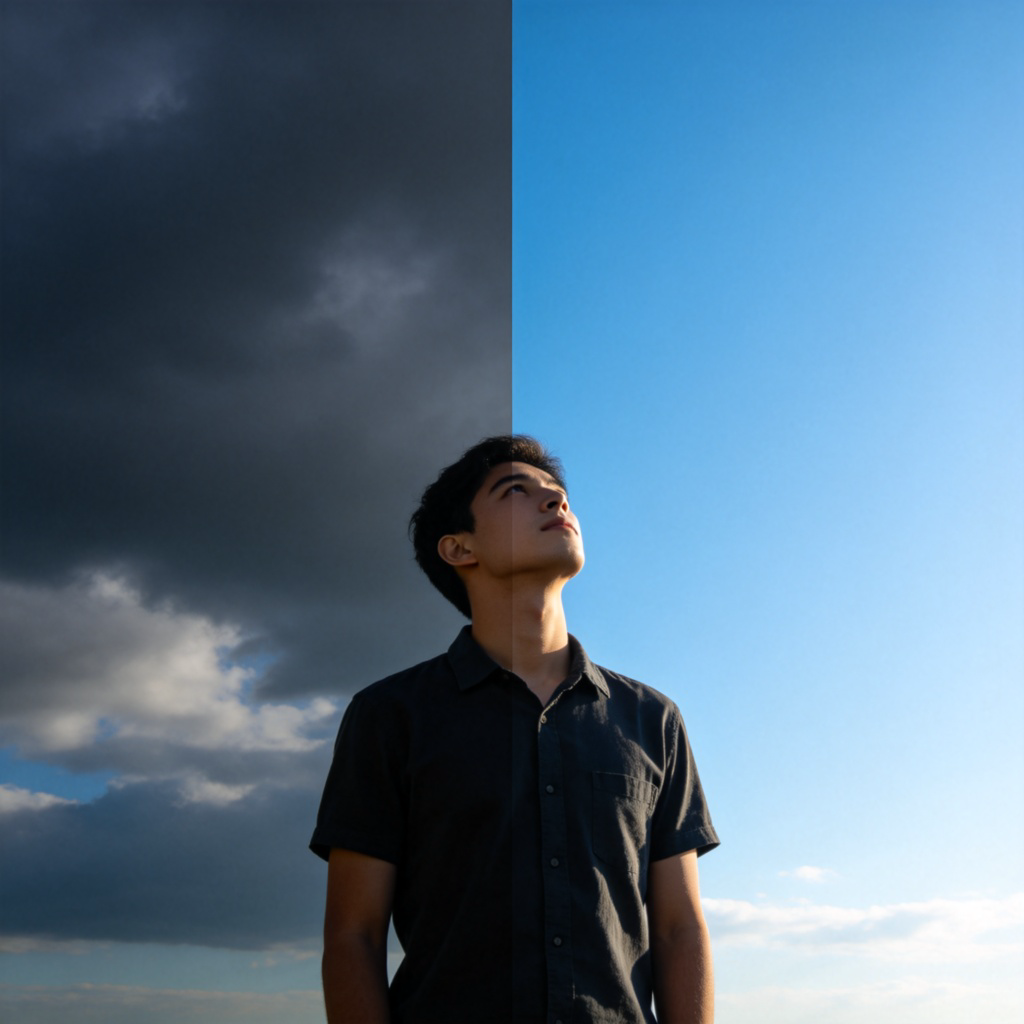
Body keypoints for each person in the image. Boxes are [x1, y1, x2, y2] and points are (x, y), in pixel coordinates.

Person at [310, 435, 719, 1024]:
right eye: (516, 491)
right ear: (458, 548)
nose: (556, 503)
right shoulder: (389, 715)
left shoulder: (653, 719)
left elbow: (681, 929)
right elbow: (354, 937)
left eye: (559, 495)